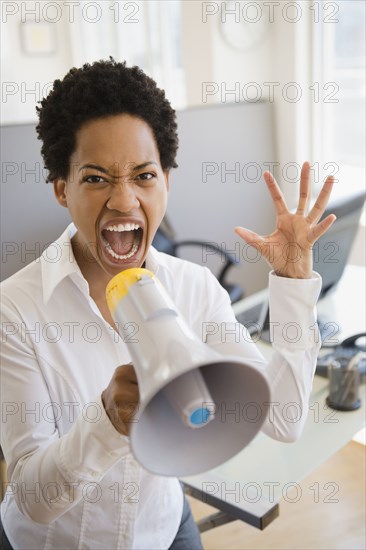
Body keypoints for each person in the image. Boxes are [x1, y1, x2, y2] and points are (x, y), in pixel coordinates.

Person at [0, 58, 336, 550]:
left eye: (143, 175)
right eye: (95, 178)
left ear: (166, 183)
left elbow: (283, 418)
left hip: (162, 529)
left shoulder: (194, 288)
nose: (123, 200)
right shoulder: (15, 309)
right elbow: (31, 496)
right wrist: (108, 424)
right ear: (61, 189)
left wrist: (291, 283)